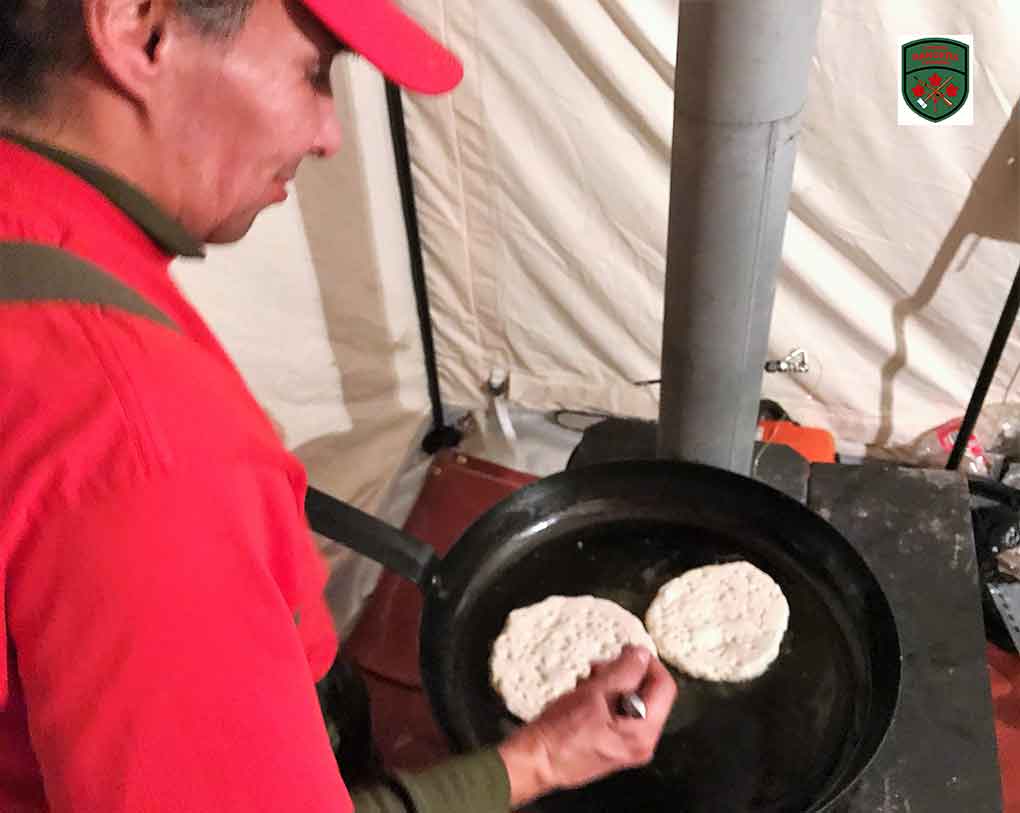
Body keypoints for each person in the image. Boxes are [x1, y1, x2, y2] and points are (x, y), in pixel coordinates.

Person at [0, 0, 677, 810]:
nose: (330, 134)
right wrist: (535, 762)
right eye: (313, 72)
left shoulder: (44, 255)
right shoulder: (141, 447)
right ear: (138, 29)